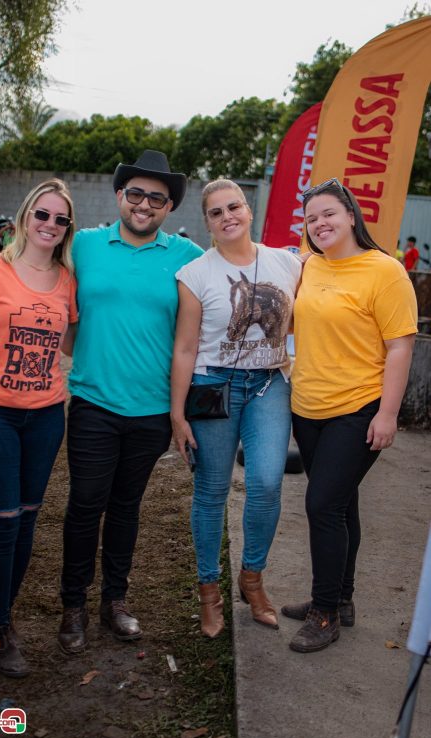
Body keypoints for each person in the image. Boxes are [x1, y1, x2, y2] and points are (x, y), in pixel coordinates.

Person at [58, 150, 203, 653]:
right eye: (136, 194)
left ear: (169, 207)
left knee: (126, 508)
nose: (144, 205)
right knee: (84, 505)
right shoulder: (86, 246)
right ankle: (72, 606)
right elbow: (28, 260)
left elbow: (234, 277)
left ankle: (114, 602)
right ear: (120, 196)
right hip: (94, 402)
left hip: (153, 411)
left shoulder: (186, 256)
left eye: (156, 198)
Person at [281, 178, 417, 653]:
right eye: (311, 218)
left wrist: (388, 414)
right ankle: (341, 599)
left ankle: (324, 615)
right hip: (308, 406)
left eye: (328, 215)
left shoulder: (385, 271)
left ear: (351, 216)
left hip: (358, 408)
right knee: (341, 504)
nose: (319, 224)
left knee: (322, 506)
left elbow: (401, 345)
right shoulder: (307, 266)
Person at [0, 179, 78, 677]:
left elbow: (69, 347)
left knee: (27, 517)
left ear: (68, 229)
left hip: (47, 415)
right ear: (27, 216)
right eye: (42, 215)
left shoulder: (69, 281)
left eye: (60, 219)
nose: (49, 225)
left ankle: (6, 614)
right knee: (3, 520)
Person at [171, 179, 302, 638]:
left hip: (270, 386)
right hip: (213, 386)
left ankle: (252, 580)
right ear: (207, 222)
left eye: (234, 207)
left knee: (266, 483)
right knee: (211, 490)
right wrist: (177, 414)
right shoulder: (195, 274)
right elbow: (185, 348)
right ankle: (210, 593)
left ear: (248, 211)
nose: (227, 216)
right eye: (215, 212)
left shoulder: (287, 264)